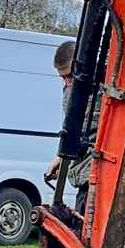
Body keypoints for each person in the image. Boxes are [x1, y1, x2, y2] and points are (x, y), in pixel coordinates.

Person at [45, 39, 93, 219]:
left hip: (94, 176)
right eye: (63, 78)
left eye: (69, 76)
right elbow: (72, 130)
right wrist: (60, 157)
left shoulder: (92, 93)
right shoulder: (71, 91)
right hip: (85, 174)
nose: (66, 83)